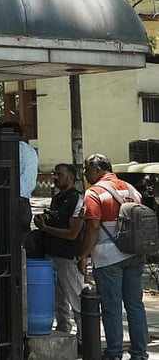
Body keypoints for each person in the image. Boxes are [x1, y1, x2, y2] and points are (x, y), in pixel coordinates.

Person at [78, 153, 149, 360]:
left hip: (108, 258)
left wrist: (84, 255)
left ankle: (114, 353)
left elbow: (92, 227)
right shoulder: (132, 190)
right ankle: (139, 353)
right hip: (135, 253)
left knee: (111, 306)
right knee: (135, 305)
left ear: (97, 169)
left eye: (86, 169)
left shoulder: (94, 193)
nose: (85, 173)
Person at [32, 163, 84, 343]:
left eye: (59, 174)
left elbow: (73, 233)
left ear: (70, 177)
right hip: (51, 255)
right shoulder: (57, 198)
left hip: (68, 257)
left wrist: (45, 228)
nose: (55, 177)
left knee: (76, 301)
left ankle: (85, 339)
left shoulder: (77, 199)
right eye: (54, 173)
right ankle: (63, 335)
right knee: (58, 302)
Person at [0, 121, 38, 236]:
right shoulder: (30, 150)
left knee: (10, 240)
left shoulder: (12, 149)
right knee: (22, 240)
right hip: (25, 201)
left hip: (12, 200)